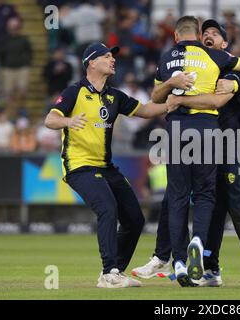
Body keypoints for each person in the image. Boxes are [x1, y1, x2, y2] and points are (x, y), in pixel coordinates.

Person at [44, 42, 170, 289]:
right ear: (91, 62)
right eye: (106, 56)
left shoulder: (114, 95)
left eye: (113, 56)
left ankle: (114, 273)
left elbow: (144, 110)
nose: (113, 59)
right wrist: (69, 121)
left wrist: (172, 104)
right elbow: (50, 119)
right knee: (108, 208)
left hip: (106, 167)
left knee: (134, 219)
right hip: (79, 166)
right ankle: (109, 271)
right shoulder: (74, 92)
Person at [150, 16, 240, 287]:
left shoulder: (166, 58)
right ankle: (199, 240)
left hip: (176, 129)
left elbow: (155, 98)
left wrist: (172, 85)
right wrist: (234, 83)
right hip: (207, 127)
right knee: (205, 194)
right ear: (199, 34)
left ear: (176, 36)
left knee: (177, 196)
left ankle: (178, 260)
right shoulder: (217, 56)